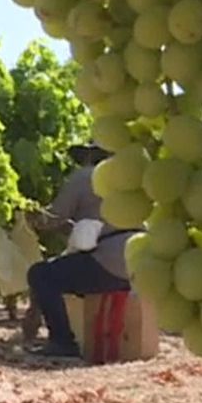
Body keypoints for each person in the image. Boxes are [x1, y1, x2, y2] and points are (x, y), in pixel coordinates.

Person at [24, 141, 143, 359]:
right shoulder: (130, 178)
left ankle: (62, 341)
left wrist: (28, 213)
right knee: (73, 268)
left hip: (108, 263)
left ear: (88, 156)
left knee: (41, 274)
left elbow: (52, 217)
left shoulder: (85, 176)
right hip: (140, 262)